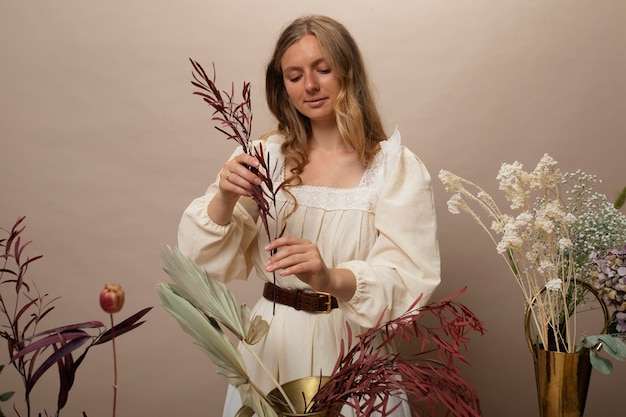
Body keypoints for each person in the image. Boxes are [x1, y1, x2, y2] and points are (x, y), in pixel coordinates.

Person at [178, 15, 441, 417]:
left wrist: (328, 277)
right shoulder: (265, 156)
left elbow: (409, 283)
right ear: (281, 84)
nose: (310, 86)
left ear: (347, 73)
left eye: (323, 69)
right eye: (295, 75)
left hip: (349, 349)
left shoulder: (392, 166)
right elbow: (199, 264)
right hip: (269, 345)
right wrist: (225, 199)